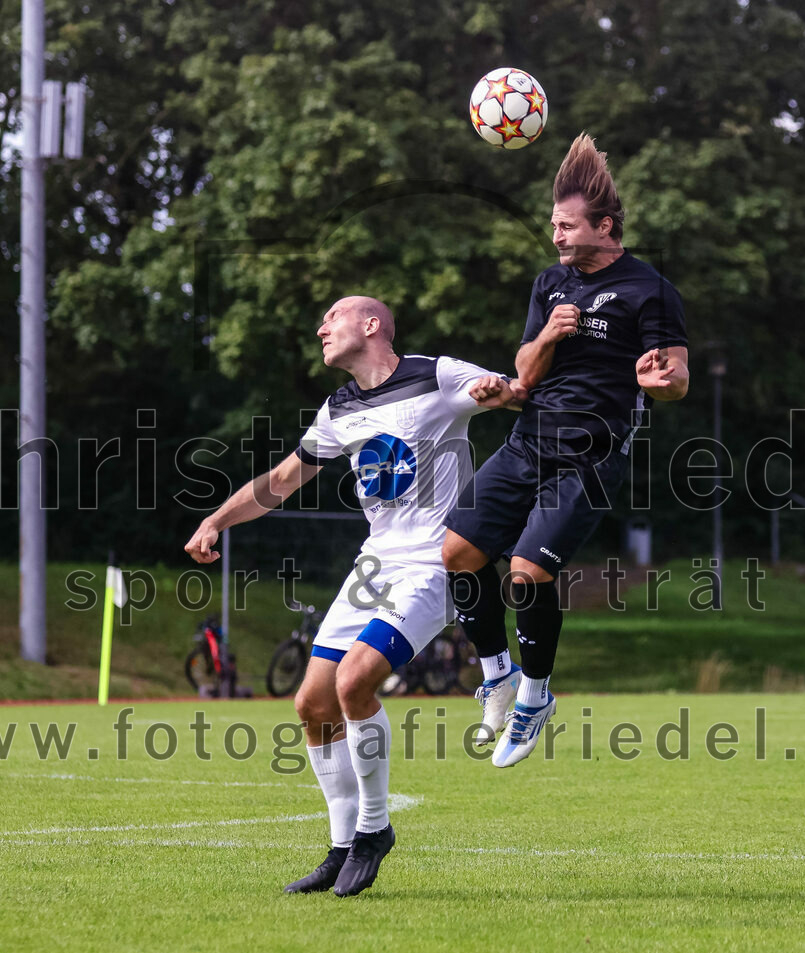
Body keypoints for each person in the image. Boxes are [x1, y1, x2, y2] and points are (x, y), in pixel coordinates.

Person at [185, 295, 515, 896]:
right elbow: (282, 480)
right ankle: (341, 847)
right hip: (375, 563)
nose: (320, 328)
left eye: (331, 318)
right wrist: (216, 519)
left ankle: (374, 829)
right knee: (312, 704)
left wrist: (501, 390)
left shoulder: (436, 375)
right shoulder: (338, 408)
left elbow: (518, 393)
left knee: (354, 681)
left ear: (371, 324)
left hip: (432, 564)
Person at [443, 133, 690, 768]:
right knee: (458, 555)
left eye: (566, 225)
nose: (555, 234)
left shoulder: (651, 290)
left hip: (592, 457)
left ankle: (534, 696)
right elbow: (525, 372)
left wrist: (660, 382)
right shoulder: (550, 284)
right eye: (553, 224)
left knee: (527, 573)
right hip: (527, 441)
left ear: (604, 227)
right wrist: (548, 335)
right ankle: (497, 676)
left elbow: (678, 379)